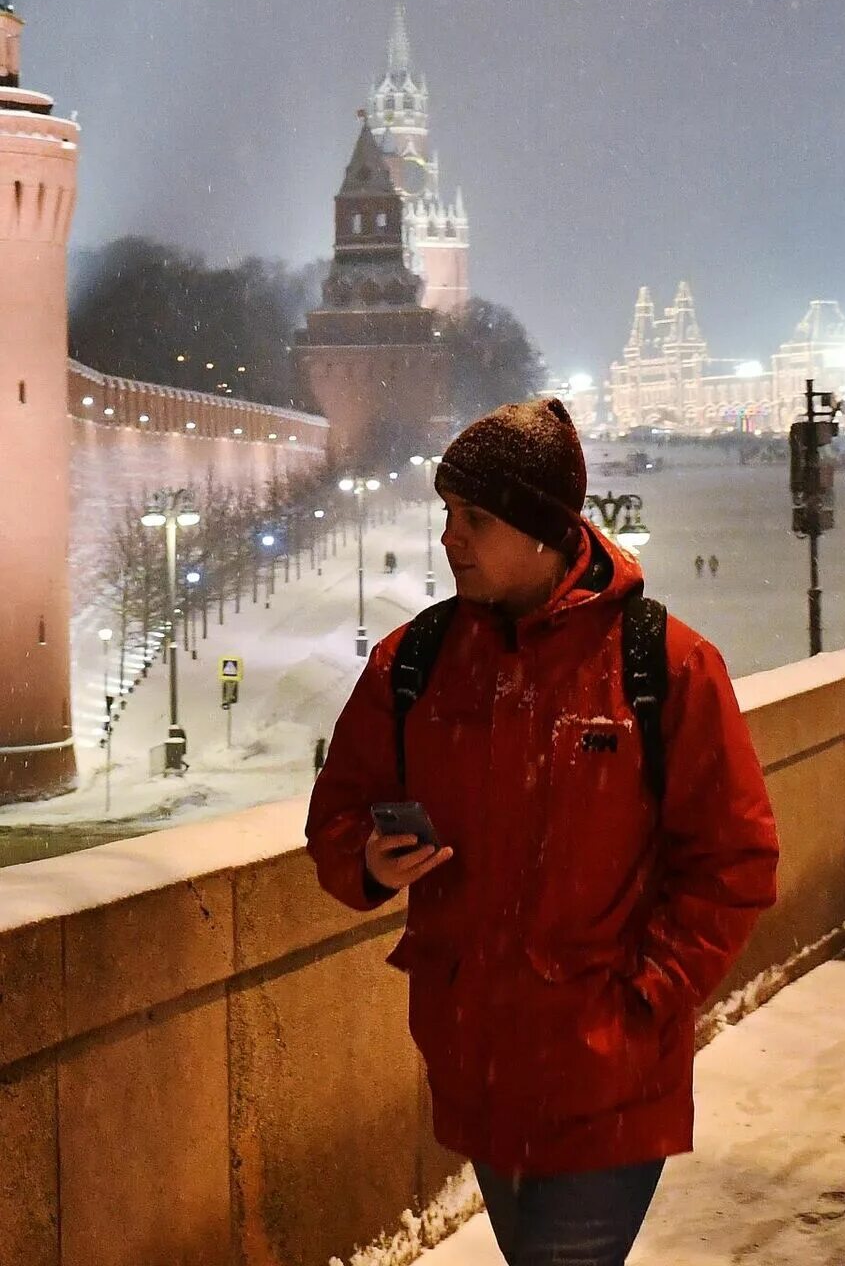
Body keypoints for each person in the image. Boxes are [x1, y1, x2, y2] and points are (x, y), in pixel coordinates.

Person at [307, 398, 779, 1266]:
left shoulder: (664, 664)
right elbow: (337, 812)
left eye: (475, 518)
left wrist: (644, 1000)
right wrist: (367, 861)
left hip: (609, 1079)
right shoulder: (412, 663)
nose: (450, 538)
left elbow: (735, 858)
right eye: (446, 513)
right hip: (478, 1071)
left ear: (541, 529)